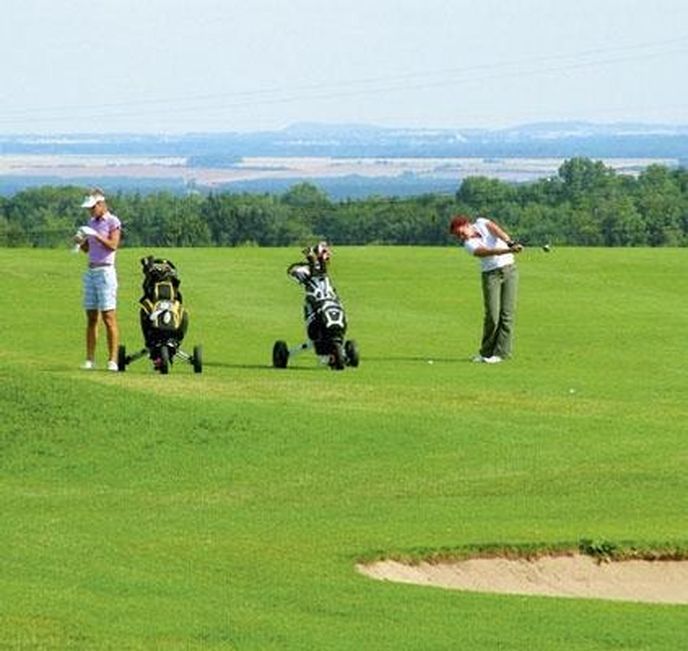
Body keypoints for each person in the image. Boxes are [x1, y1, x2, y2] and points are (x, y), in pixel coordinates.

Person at [449, 214, 523, 364]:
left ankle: (501, 353)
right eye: (457, 235)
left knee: (507, 314)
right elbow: (485, 252)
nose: (460, 236)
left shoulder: (481, 222)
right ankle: (486, 352)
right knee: (492, 316)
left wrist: (510, 242)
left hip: (509, 270)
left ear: (466, 224)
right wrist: (508, 250)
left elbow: (496, 230)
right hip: (491, 275)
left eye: (460, 232)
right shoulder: (469, 245)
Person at [75, 188, 121, 371]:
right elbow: (89, 249)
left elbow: (113, 245)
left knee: (108, 317)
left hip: (105, 272)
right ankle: (90, 359)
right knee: (91, 317)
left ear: (101, 204)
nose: (90, 211)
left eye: (93, 207)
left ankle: (113, 360)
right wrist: (81, 242)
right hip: (91, 271)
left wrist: (96, 235)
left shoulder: (112, 221)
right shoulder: (91, 222)